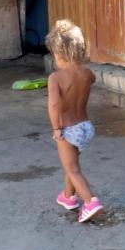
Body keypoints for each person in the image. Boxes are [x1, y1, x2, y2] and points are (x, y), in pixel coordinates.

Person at [46, 20, 104, 223]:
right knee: (71, 163)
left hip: (68, 129)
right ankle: (68, 197)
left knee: (72, 168)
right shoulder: (87, 73)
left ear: (58, 54)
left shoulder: (56, 78)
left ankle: (90, 202)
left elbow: (54, 105)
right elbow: (92, 80)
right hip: (86, 127)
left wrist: (56, 129)